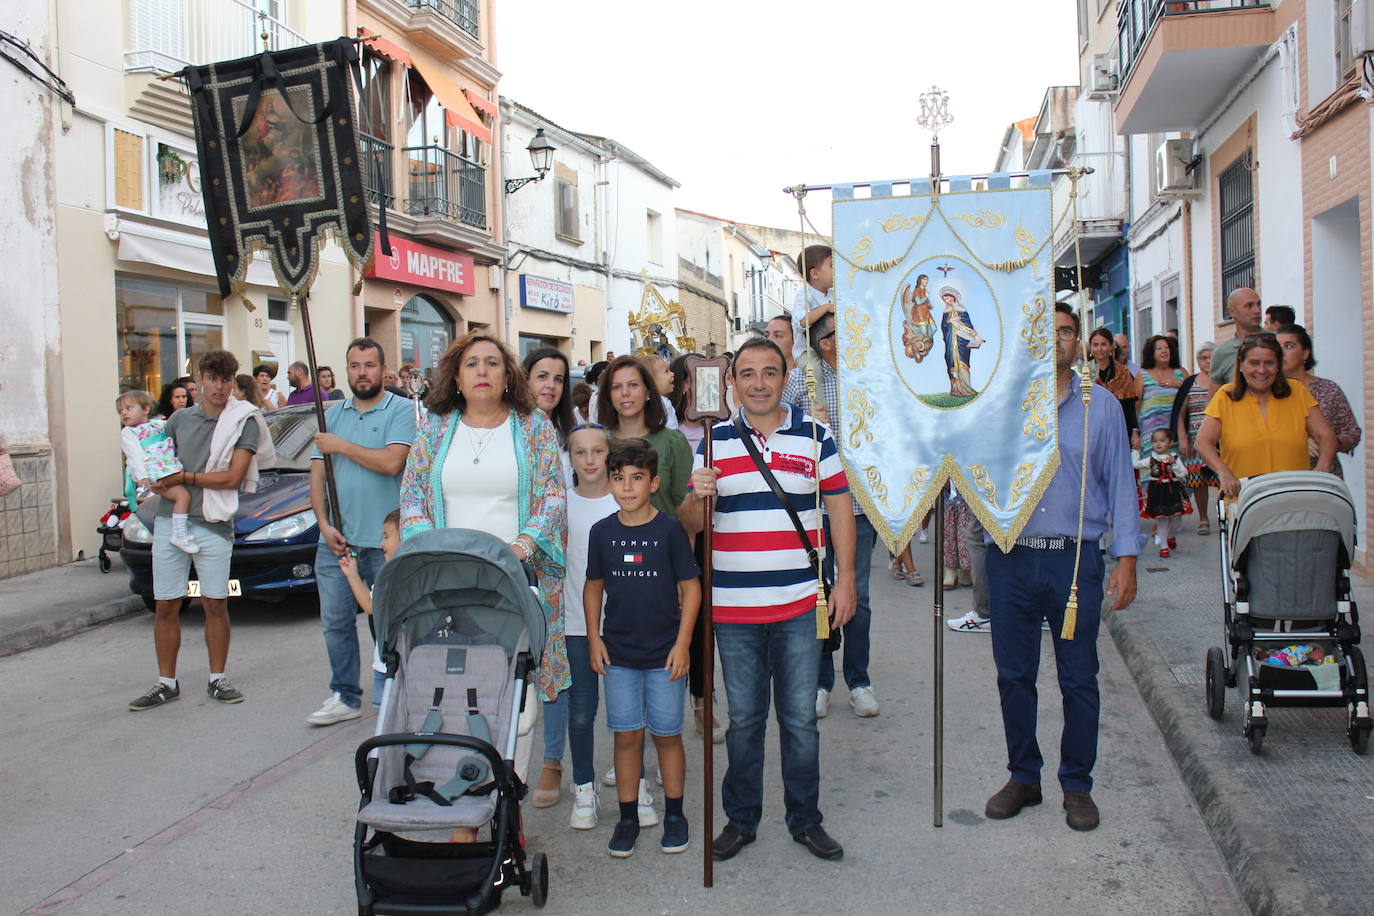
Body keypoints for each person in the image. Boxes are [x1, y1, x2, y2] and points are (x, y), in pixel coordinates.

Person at [681, 337, 857, 863]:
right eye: (748, 374)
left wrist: (846, 580)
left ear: (785, 378)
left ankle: (806, 820)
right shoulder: (712, 441)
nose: (759, 383)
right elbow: (689, 525)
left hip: (801, 603)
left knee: (799, 720)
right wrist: (697, 495)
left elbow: (840, 508)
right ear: (732, 382)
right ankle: (741, 820)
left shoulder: (816, 435)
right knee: (745, 720)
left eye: (770, 372)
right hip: (733, 608)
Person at [982, 304, 1139, 832]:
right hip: (1011, 557)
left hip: (1074, 561)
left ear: (1079, 342)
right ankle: (1024, 776)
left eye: (1066, 331)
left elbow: (1121, 484)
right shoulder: (999, 404)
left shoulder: (1102, 407)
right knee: (1014, 675)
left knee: (1078, 678)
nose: (1055, 339)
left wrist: (1127, 559)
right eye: (1044, 332)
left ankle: (1077, 784)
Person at [399, 332, 568, 782]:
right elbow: (412, 496)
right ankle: (455, 782)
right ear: (456, 377)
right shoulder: (435, 429)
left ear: (507, 375)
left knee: (516, 694)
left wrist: (522, 547)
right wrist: (429, 551)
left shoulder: (534, 427)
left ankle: (511, 796)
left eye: (492, 363)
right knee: (455, 686)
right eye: (471, 364)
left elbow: (553, 496)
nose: (482, 371)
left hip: (513, 580)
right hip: (446, 582)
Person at [585, 439, 702, 858]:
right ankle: (628, 818)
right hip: (619, 656)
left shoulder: (669, 531)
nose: (627, 487)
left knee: (667, 736)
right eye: (619, 478)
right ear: (609, 483)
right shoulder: (602, 533)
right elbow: (593, 587)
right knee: (626, 736)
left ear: (653, 483)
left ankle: (675, 815)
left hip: (664, 656)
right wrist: (594, 637)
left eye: (637, 478)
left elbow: (691, 589)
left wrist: (683, 644)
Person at [128, 350, 259, 712]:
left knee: (215, 603)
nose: (220, 387)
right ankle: (166, 683)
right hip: (170, 520)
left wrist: (183, 477)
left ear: (233, 382)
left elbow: (232, 477)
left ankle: (218, 679)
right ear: (199, 381)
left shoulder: (242, 421)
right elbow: (158, 458)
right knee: (165, 605)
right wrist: (153, 478)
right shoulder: (180, 419)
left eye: (226, 379)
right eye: (213, 378)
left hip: (213, 524)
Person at [305, 338, 416, 726]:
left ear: (382, 370)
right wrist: (323, 523)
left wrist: (340, 445)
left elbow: (391, 463)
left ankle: (399, 690)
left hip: (386, 543)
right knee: (335, 622)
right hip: (338, 539)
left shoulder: (400, 410)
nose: (362, 373)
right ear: (347, 370)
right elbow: (317, 475)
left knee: (389, 624)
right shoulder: (332, 415)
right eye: (355, 366)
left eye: (369, 365)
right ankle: (344, 694)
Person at [781, 312, 886, 718]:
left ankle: (859, 681)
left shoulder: (870, 377)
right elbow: (775, 424)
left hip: (858, 505)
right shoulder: (800, 379)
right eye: (844, 331)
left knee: (857, 593)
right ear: (825, 343)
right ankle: (820, 682)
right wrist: (805, 422)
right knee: (817, 595)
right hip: (811, 507)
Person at [541, 424, 618, 828]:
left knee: (627, 712)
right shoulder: (560, 505)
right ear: (568, 458)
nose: (589, 460)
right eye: (580, 452)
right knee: (582, 712)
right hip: (575, 624)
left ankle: (634, 781)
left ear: (610, 454)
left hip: (623, 626)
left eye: (597, 451)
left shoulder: (625, 499)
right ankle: (584, 787)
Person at [1194, 334, 1338, 499]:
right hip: (1245, 499)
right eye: (1254, 363)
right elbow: (1202, 442)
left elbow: (1326, 435)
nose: (1262, 370)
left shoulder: (1297, 391)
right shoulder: (1225, 396)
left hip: (1294, 498)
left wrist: (1322, 468)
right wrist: (1223, 472)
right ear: (1241, 364)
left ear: (1278, 366)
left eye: (1269, 363)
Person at [595, 356, 692, 519]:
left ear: (648, 392)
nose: (625, 393)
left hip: (663, 535)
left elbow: (686, 508)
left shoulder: (672, 442)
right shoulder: (598, 445)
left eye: (633, 385)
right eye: (617, 387)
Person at [335, 507, 403, 715]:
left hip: (402, 667)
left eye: (386, 537)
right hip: (384, 667)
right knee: (386, 718)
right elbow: (370, 606)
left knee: (396, 718)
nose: (381, 543)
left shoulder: (401, 578)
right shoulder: (388, 577)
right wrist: (352, 575)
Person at [1276, 324, 1362, 479]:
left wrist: (1333, 443)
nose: (1281, 353)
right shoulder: (1268, 392)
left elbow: (1352, 432)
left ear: (1305, 353)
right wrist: (1300, 442)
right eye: (1277, 347)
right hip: (1282, 476)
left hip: (1324, 475)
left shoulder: (1328, 390)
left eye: (1289, 346)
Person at [116, 390, 196, 553]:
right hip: (154, 472)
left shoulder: (158, 424)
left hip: (168, 467)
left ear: (145, 409)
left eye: (129, 408)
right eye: (120, 410)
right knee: (182, 496)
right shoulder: (128, 432)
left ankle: (182, 529)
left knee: (186, 494)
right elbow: (134, 455)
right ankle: (180, 534)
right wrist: (143, 476)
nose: (124, 413)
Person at [1174, 343, 1218, 535]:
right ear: (1198, 361)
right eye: (1203, 358)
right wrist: (1182, 438)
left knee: (1222, 479)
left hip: (1220, 440)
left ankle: (1226, 515)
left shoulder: (1223, 381)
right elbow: (1180, 413)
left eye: (1211, 357)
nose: (1207, 361)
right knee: (1199, 481)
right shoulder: (1190, 382)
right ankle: (1203, 518)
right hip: (1195, 441)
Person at [1134, 429, 1189, 558]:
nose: (1158, 444)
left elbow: (1183, 473)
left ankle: (1171, 536)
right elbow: (1136, 464)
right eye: (1155, 441)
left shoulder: (1174, 457)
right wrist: (1136, 451)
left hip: (1172, 489)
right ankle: (1164, 546)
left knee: (1176, 519)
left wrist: (1174, 464)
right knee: (1162, 519)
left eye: (1162, 440)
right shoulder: (1151, 459)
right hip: (1157, 491)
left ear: (1170, 442)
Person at [1088, 328, 1141, 450]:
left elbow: (1130, 406)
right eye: (1095, 345)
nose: (1099, 349)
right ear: (1090, 347)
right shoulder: (1083, 373)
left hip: (1120, 428)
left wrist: (1134, 432)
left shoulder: (1123, 373)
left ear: (1112, 346)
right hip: (1091, 429)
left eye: (1103, 344)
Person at [1208, 287, 1262, 393]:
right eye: (1249, 305)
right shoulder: (1221, 353)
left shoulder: (1278, 341)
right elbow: (1213, 399)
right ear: (1232, 311)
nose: (1257, 310)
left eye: (1258, 304)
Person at [791, 245, 834, 376]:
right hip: (808, 351)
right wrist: (826, 308)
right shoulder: (804, 295)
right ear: (815, 273)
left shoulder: (834, 293)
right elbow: (801, 322)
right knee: (814, 370)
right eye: (832, 266)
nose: (837, 271)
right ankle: (816, 392)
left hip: (830, 348)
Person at [1137, 335, 1185, 448]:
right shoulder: (1142, 375)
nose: (1164, 351)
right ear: (1151, 353)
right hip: (1150, 436)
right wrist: (1135, 433)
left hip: (1176, 435)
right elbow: (1136, 407)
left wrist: (1180, 384)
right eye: (1159, 348)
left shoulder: (1181, 373)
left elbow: (1192, 396)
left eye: (1166, 348)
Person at [939, 287, 984, 397]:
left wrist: (973, 334)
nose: (946, 301)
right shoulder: (946, 311)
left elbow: (968, 324)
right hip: (951, 342)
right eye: (944, 299)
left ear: (953, 297)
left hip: (962, 340)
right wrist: (949, 322)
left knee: (963, 363)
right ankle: (956, 389)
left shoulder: (962, 309)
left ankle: (967, 388)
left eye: (947, 298)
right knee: (951, 362)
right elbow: (944, 327)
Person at [901, 274, 939, 362]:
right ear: (920, 280)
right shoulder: (917, 290)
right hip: (919, 314)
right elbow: (918, 302)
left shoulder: (924, 290)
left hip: (926, 313)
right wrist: (926, 297)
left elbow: (925, 301)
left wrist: (929, 305)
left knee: (934, 328)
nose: (926, 281)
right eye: (924, 279)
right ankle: (919, 341)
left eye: (927, 280)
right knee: (925, 334)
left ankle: (924, 342)